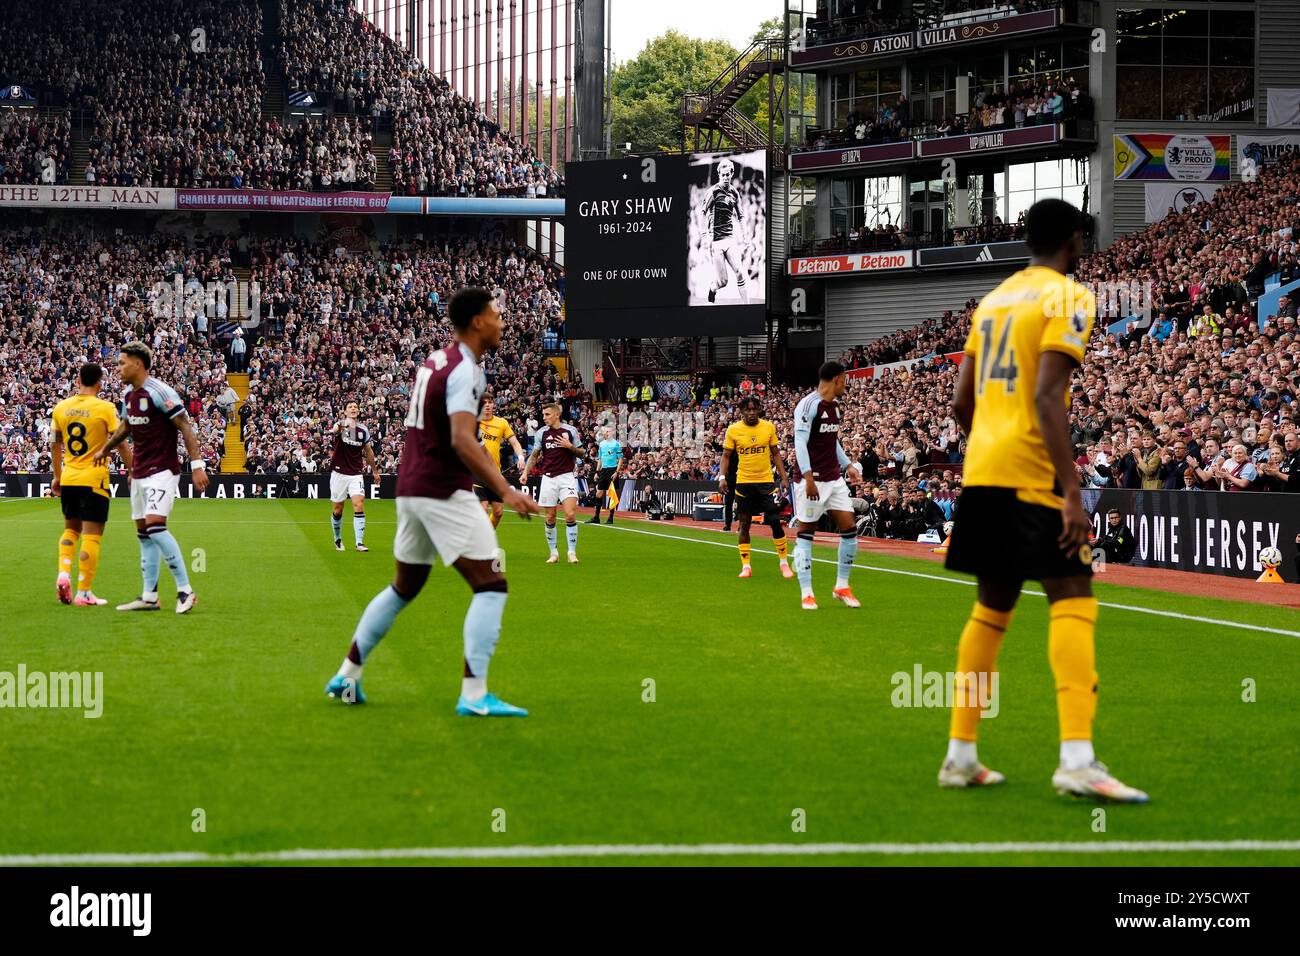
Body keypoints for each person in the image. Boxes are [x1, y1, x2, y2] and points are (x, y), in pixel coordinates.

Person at [938, 197, 1147, 802]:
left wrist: (993, 444)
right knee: (1074, 599)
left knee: (991, 612)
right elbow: (1048, 396)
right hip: (1032, 474)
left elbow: (959, 406)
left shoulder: (994, 300)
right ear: (1075, 242)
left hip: (983, 472)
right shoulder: (1068, 297)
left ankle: (960, 753)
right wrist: (1073, 489)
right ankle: (1077, 761)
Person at [325, 287, 541, 715]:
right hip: (443, 489)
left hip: (411, 487)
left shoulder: (435, 361)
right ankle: (475, 695)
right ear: (477, 321)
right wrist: (506, 490)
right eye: (496, 314)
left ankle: (347, 675)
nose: (502, 322)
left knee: (404, 587)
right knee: (492, 584)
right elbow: (463, 439)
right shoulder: (466, 370)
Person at [95, 342, 210, 614]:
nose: (118, 368)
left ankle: (185, 591)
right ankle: (149, 596)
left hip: (162, 469)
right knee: (144, 534)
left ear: (138, 363)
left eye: (122, 363)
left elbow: (185, 426)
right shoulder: (127, 395)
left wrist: (197, 465)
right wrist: (107, 448)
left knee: (156, 526)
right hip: (139, 472)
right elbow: (125, 426)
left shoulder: (160, 392)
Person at [51, 363, 132, 606]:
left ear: (77, 380)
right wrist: (132, 469)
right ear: (99, 383)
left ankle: (63, 573)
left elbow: (55, 444)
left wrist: (57, 476)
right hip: (94, 479)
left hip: (70, 477)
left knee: (70, 530)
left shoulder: (61, 407)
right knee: (92, 535)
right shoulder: (105, 408)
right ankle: (84, 592)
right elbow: (120, 441)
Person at [791, 361, 864, 610]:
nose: (847, 385)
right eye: (845, 380)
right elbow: (799, 443)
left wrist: (848, 465)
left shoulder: (835, 408)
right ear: (836, 379)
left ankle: (841, 585)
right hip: (812, 480)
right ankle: (807, 592)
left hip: (834, 479)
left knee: (850, 529)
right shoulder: (808, 405)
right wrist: (809, 477)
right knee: (806, 533)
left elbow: (832, 442)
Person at [718, 395, 793, 579]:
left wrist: (783, 477)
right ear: (742, 411)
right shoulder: (733, 430)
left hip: (766, 482)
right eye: (747, 410)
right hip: (744, 482)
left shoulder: (768, 427)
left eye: (754, 409)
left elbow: (775, 453)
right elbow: (726, 456)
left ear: (759, 409)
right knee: (744, 523)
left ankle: (784, 563)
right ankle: (746, 566)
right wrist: (722, 477)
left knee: (774, 519)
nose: (751, 413)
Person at [523, 402, 587, 563]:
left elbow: (582, 454)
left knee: (570, 514)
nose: (544, 418)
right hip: (548, 479)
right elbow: (535, 455)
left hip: (566, 477)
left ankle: (571, 552)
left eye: (547, 414)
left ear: (557, 414)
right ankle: (554, 553)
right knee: (550, 517)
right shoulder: (541, 433)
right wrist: (525, 472)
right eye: (543, 415)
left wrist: (570, 446)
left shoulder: (570, 431)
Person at [328, 400, 380, 552]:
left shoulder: (363, 430)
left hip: (356, 473)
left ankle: (359, 543)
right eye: (350, 407)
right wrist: (336, 428)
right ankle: (337, 539)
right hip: (339, 472)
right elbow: (336, 429)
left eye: (355, 407)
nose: (353, 408)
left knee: (359, 503)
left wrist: (375, 471)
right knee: (338, 509)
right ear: (345, 411)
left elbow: (369, 452)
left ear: (358, 411)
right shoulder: (341, 425)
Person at [475, 396, 527, 529]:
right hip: (476, 472)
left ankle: (488, 537)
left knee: (498, 512)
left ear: (494, 405)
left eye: (490, 402)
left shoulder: (501, 423)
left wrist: (520, 457)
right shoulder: (474, 422)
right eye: (484, 402)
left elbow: (514, 442)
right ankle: (483, 542)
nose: (487, 405)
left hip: (495, 474)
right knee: (483, 508)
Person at [704, 158, 749, 304]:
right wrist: (705, 235)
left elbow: (741, 217)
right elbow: (703, 212)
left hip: (730, 240)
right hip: (716, 242)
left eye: (727, 175)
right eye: (722, 175)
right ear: (719, 174)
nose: (725, 177)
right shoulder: (713, 191)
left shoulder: (735, 193)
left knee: (740, 272)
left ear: (731, 174)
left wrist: (745, 236)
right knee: (723, 282)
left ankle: (747, 307)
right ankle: (712, 288)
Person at [588, 425, 623, 524]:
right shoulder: (602, 444)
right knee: (598, 493)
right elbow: (600, 459)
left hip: (612, 470)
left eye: (607, 431)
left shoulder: (616, 444)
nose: (605, 433)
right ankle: (596, 517)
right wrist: (597, 472)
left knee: (611, 494)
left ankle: (611, 517)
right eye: (604, 432)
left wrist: (617, 472)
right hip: (603, 471)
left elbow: (620, 459)